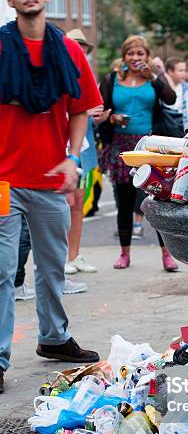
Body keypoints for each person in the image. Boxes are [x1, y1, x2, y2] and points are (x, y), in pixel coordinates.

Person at [0, 0, 102, 394]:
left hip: (50, 177)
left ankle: (54, 338)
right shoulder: (2, 47)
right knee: (2, 271)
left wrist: (73, 157)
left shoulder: (68, 50)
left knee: (53, 264)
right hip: (3, 180)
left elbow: (80, 107)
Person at [98, 35, 178, 271]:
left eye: (140, 54)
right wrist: (112, 118)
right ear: (124, 57)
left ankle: (167, 255)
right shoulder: (112, 79)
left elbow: (171, 99)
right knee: (124, 201)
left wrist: (154, 75)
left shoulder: (153, 80)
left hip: (149, 145)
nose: (135, 58)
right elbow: (102, 110)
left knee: (157, 198)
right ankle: (124, 253)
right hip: (121, 145)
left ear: (147, 57)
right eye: (130, 54)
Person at [64, 28, 98, 275]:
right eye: (76, 46)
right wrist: (86, 113)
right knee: (63, 207)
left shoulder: (85, 77)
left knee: (78, 205)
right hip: (63, 151)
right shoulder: (60, 75)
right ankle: (61, 258)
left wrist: (99, 116)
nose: (81, 51)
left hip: (83, 150)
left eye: (83, 47)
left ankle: (74, 256)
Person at [165, 57, 188, 131]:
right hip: (164, 132)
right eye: (180, 70)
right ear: (170, 71)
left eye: (185, 70)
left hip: (183, 132)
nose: (184, 73)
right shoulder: (161, 87)